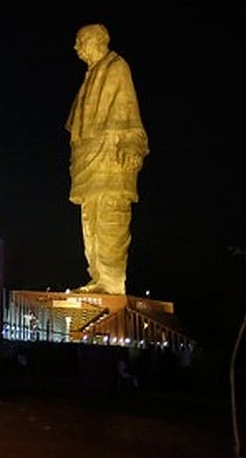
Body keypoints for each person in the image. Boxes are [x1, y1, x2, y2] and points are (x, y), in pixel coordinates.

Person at [66, 24, 148, 295]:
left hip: (111, 157)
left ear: (97, 41)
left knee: (110, 217)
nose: (77, 48)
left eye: (81, 41)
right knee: (89, 220)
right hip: (88, 160)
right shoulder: (89, 77)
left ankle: (111, 282)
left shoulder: (116, 67)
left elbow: (130, 115)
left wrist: (131, 145)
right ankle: (97, 278)